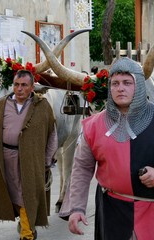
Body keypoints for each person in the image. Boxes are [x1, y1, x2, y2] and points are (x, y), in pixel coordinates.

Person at [59, 57, 154, 240]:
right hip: (112, 211)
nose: (120, 88)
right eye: (115, 83)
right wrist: (76, 208)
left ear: (139, 86)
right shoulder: (94, 125)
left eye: (127, 82)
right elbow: (82, 168)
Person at [0, 70, 58, 240]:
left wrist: (46, 160)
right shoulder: (1, 104)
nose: (19, 88)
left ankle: (27, 234)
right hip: (5, 158)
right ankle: (25, 224)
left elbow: (52, 134)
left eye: (24, 85)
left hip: (31, 161)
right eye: (16, 84)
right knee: (10, 193)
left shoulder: (42, 106)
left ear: (32, 87)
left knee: (26, 194)